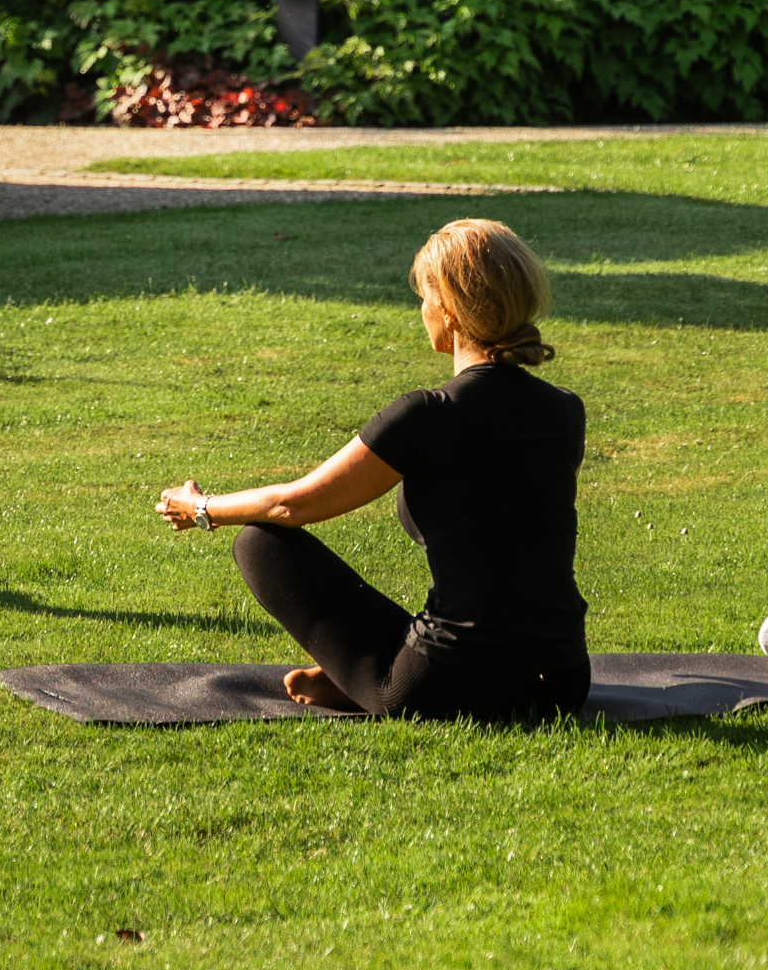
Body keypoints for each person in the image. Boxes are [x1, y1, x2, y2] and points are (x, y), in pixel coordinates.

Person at [156, 218, 590, 721]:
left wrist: (201, 507)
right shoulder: (565, 410)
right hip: (560, 682)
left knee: (260, 542)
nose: (422, 309)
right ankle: (358, 674)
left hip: (447, 683)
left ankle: (364, 681)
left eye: (425, 297)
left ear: (447, 311)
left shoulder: (427, 415)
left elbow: (290, 505)